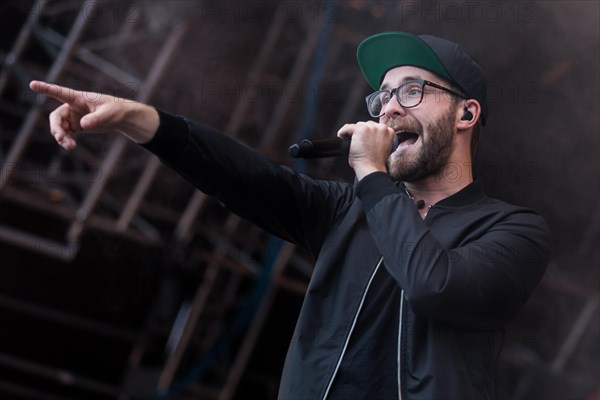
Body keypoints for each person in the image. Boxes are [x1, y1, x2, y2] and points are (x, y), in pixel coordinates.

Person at [30, 32, 550, 399]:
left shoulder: (512, 231)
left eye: (412, 91)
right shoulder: (350, 209)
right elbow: (245, 177)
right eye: (383, 96)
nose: (388, 109)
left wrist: (371, 176)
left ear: (466, 113)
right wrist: (137, 118)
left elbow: (434, 285)